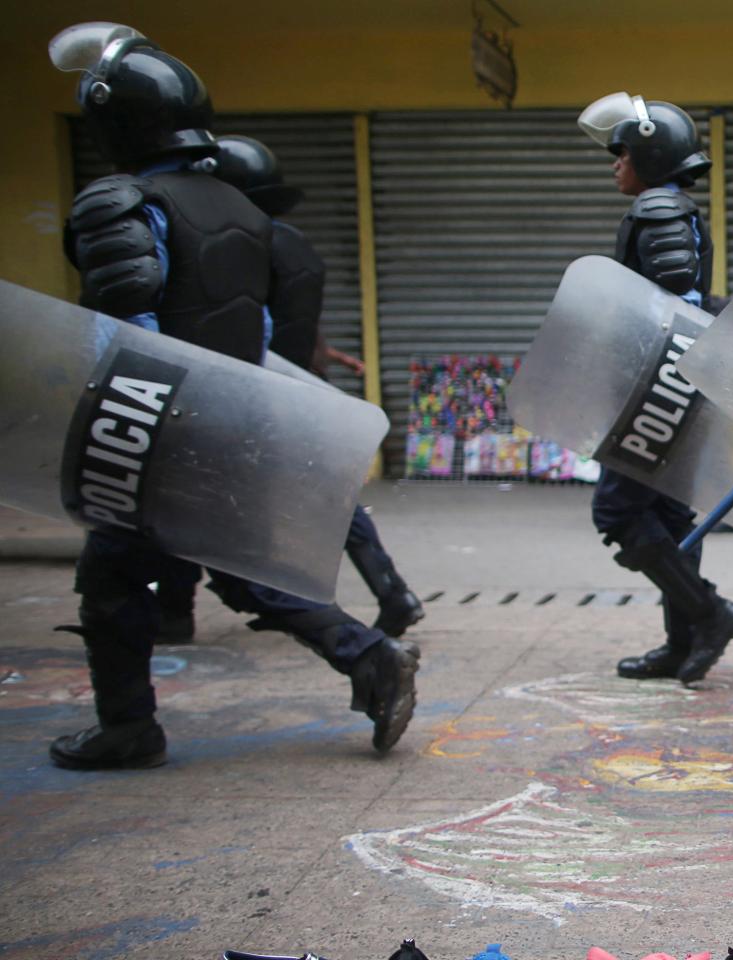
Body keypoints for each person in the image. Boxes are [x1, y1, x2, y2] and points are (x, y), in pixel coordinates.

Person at [48, 23, 419, 769]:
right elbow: (266, 332)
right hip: (229, 420)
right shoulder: (245, 212)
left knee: (113, 576)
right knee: (245, 572)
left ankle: (129, 728)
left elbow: (126, 333)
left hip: (154, 421)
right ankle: (370, 655)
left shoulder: (119, 201)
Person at [151, 135, 426, 647]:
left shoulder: (238, 244)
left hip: (253, 394)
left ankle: (179, 610)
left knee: (184, 501)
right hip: (290, 389)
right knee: (330, 498)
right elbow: (297, 323)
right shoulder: (290, 241)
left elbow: (251, 323)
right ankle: (392, 595)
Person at [576, 91, 733, 686]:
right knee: (669, 515)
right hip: (676, 386)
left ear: (648, 155)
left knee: (619, 512)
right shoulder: (670, 208)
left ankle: (710, 615)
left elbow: (674, 294)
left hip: (656, 388)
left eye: (620, 152)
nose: (614, 163)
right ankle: (681, 643)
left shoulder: (657, 209)